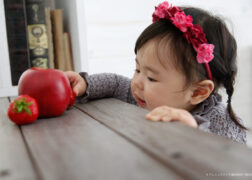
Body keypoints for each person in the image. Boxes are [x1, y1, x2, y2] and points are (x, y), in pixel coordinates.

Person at [65, 1, 247, 143]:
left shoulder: (224, 126)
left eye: (151, 77)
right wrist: (86, 83)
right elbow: (115, 83)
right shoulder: (147, 95)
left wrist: (193, 134)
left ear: (198, 92)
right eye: (137, 69)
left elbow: (229, 161)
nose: (136, 82)